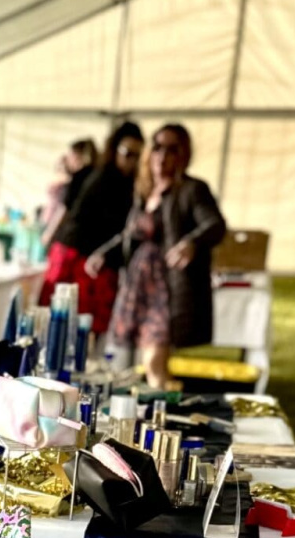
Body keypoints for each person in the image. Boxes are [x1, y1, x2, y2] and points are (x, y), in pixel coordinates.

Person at [92, 123, 225, 389]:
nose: (162, 155)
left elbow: (215, 224)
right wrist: (104, 254)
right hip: (138, 286)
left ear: (183, 154)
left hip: (166, 290)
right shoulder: (145, 192)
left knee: (154, 362)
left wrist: (191, 243)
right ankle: (155, 411)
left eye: (172, 149)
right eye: (157, 147)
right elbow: (131, 234)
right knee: (137, 360)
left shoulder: (192, 189)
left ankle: (167, 414)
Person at [40, 121, 142, 335]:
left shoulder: (130, 184)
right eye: (127, 153)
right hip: (77, 255)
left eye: (137, 155)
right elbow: (69, 211)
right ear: (115, 150)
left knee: (87, 327)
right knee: (59, 321)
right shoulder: (101, 176)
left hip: (96, 259)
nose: (131, 161)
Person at [40, 139, 100, 249]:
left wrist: (49, 233)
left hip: (70, 238)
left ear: (77, 156)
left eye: (70, 155)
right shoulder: (97, 176)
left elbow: (64, 209)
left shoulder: (78, 178)